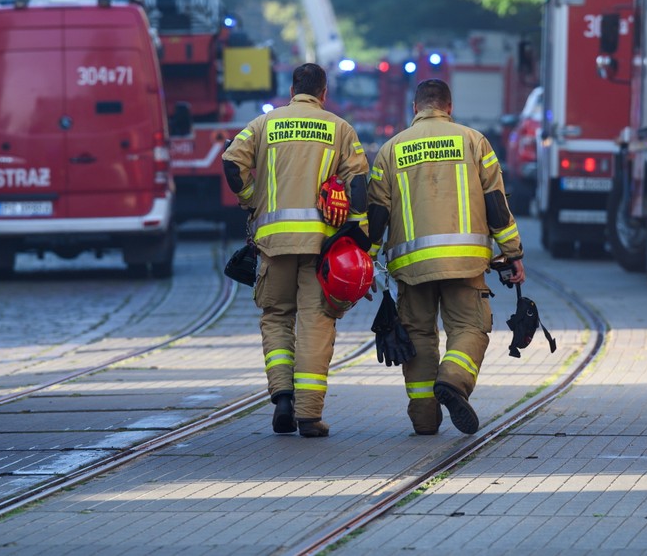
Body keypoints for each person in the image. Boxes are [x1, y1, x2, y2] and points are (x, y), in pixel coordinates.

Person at [367, 78, 524, 435]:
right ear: (449, 108)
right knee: (469, 327)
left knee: (418, 336)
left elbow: (376, 213)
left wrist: (366, 259)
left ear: (415, 109)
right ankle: (453, 380)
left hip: (411, 265)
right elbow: (496, 204)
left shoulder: (391, 150)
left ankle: (424, 419)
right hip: (465, 262)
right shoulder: (474, 142)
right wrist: (512, 253)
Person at [222, 63, 369, 438]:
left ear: (291, 89)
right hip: (322, 245)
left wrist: (252, 200)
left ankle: (283, 397)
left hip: (273, 243)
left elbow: (231, 161)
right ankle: (308, 415)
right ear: (323, 93)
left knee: (276, 317)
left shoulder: (263, 125)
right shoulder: (339, 128)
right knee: (315, 323)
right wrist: (357, 230)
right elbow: (360, 184)